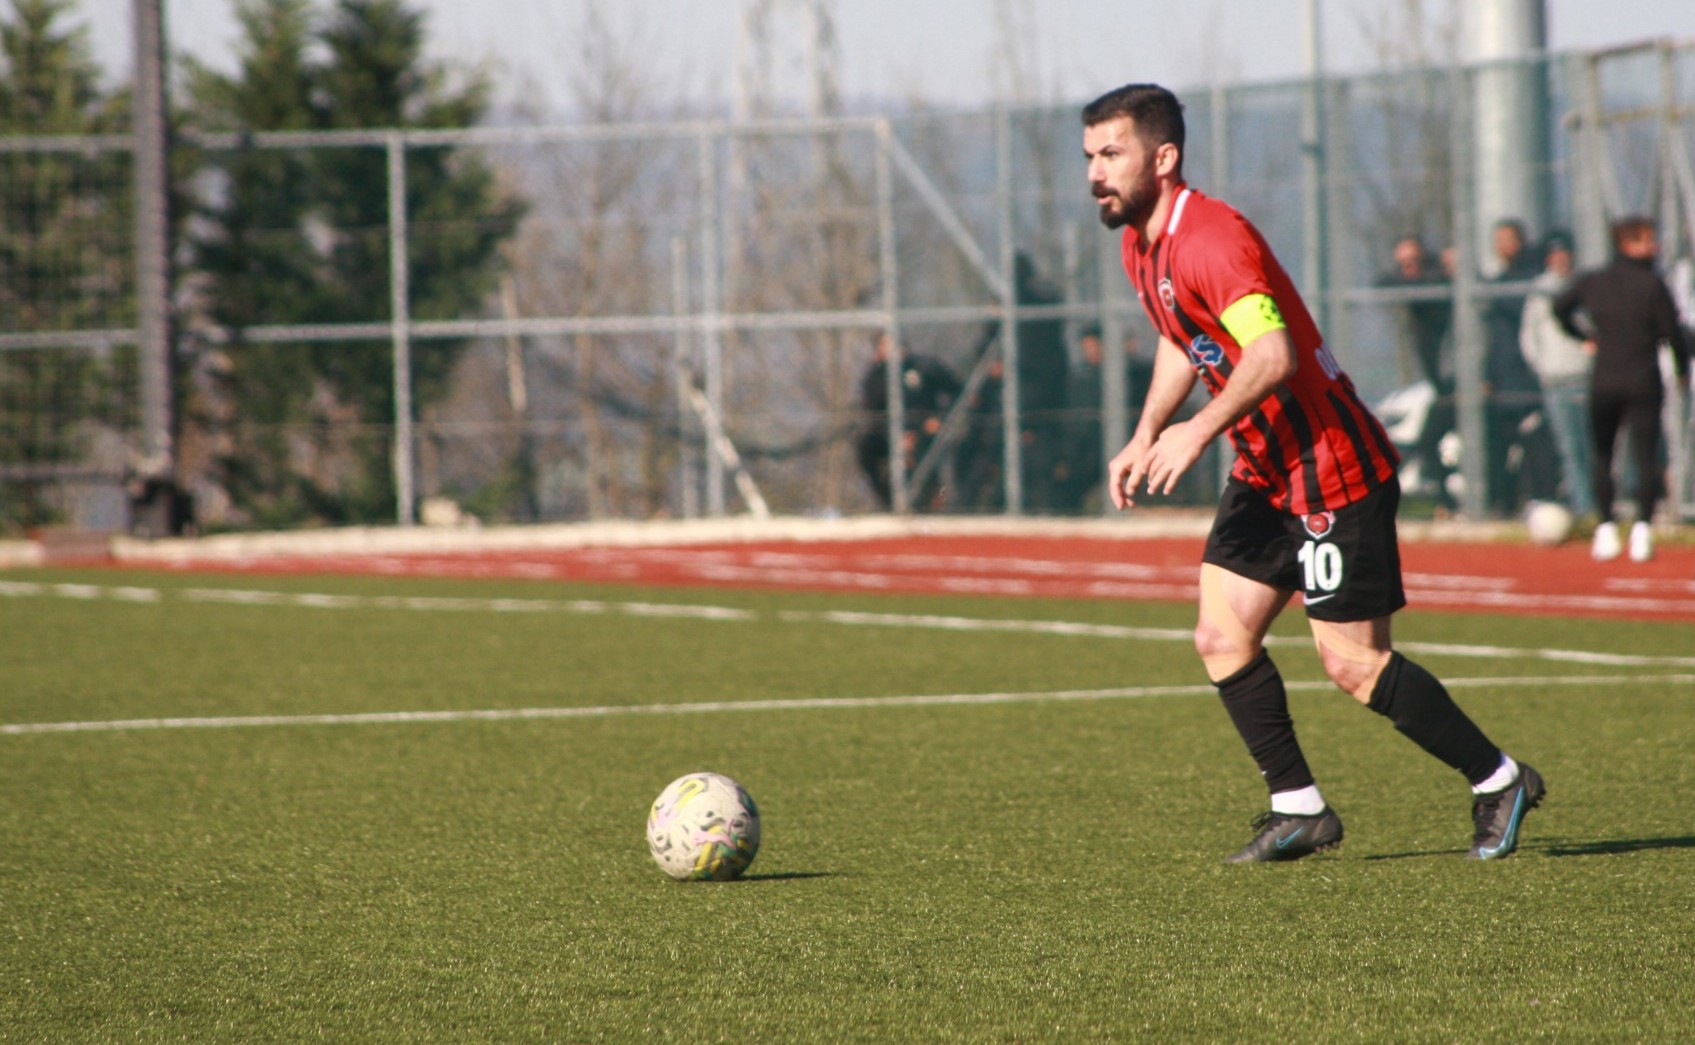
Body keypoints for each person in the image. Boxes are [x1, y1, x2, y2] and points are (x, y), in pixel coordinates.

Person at [1082, 82, 1543, 863]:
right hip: (1265, 470)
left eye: (1111, 153)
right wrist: (1144, 431)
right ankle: (1298, 807)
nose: (1095, 172)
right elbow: (1180, 335)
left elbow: (1271, 355)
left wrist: (1195, 430)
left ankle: (1498, 778)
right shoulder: (1140, 240)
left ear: (1163, 158)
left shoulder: (1209, 238)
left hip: (1332, 470)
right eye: (1089, 156)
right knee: (1220, 635)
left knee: (1351, 661)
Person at [1554, 217, 1692, 562]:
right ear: (1628, 243)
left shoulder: (1594, 281)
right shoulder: (1651, 284)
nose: (1655, 247)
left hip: (1604, 380)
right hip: (1642, 379)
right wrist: (1680, 370)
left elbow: (1560, 307)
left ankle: (1606, 531)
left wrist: (1585, 336)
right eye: (1648, 240)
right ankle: (1642, 531)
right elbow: (1672, 332)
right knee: (1644, 455)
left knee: (1603, 456)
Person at [1518, 231, 1596, 519]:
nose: (1560, 258)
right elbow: (1530, 337)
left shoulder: (1585, 286)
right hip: (1555, 381)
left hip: (1586, 377)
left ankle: (1602, 507)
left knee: (1594, 447)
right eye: (1554, 253)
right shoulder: (1539, 291)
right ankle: (1584, 508)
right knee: (1569, 448)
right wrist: (1543, 369)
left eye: (1564, 252)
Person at [1376, 235, 1456, 506]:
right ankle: (1450, 504)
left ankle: (1455, 504)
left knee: (1430, 439)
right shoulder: (1413, 285)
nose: (1409, 267)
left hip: (1462, 381)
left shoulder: (1443, 283)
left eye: (1414, 261)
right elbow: (1383, 283)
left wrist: (1446, 268)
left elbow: (1437, 282)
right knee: (1428, 442)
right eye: (1404, 263)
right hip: (1441, 385)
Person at [1483, 218, 1554, 516]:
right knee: (1500, 443)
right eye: (1499, 240)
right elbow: (1493, 339)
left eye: (1510, 239)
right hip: (1502, 376)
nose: (1504, 246)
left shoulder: (1534, 279)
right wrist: (1487, 373)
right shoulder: (1498, 281)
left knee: (1535, 442)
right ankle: (1503, 503)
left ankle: (1543, 500)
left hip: (1528, 376)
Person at [854, 332, 962, 511]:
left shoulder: (924, 368)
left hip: (925, 431)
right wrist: (895, 435)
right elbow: (872, 414)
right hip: (889, 434)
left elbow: (958, 391)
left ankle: (931, 501)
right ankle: (889, 501)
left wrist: (940, 419)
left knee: (921, 453)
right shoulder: (876, 376)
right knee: (865, 445)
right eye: (886, 345)